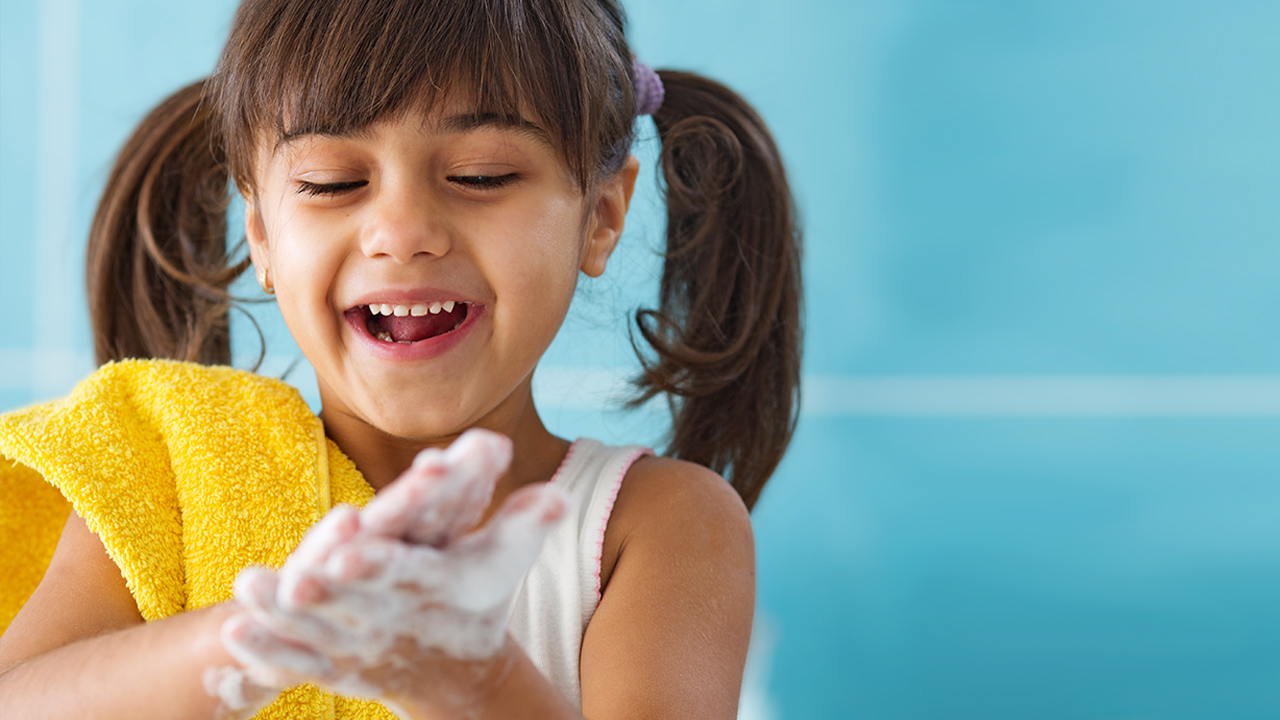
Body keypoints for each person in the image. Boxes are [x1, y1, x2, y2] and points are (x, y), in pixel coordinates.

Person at [0, 0, 802, 717]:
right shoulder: (175, 481)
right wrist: (269, 633)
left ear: (600, 215)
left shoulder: (653, 525)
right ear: (262, 235)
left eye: (479, 174)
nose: (402, 228)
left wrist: (472, 681)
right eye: (331, 182)